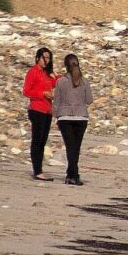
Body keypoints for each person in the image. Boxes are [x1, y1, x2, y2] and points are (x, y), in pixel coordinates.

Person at [53, 52, 93, 186]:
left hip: (64, 117)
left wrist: (55, 116)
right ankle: (73, 175)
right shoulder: (84, 81)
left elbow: (56, 102)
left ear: (65, 66)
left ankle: (72, 175)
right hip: (81, 117)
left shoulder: (61, 82)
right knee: (75, 148)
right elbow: (89, 100)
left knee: (70, 148)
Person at [21, 46, 56, 179]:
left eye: (48, 58)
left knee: (43, 140)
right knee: (37, 140)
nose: (46, 60)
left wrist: (54, 74)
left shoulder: (47, 73)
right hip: (37, 109)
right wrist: (42, 94)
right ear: (37, 58)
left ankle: (39, 168)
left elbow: (55, 83)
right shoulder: (33, 72)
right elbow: (26, 91)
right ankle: (37, 170)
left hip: (47, 110)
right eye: (44, 58)